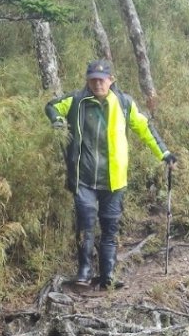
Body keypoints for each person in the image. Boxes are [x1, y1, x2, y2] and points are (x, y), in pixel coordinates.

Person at [45, 59, 176, 288]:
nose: (97, 84)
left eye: (101, 79)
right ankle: (84, 271)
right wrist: (57, 120)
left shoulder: (124, 103)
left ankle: (108, 275)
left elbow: (145, 128)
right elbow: (52, 106)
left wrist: (164, 153)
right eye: (93, 79)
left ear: (110, 80)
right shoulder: (76, 100)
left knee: (109, 227)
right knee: (85, 224)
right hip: (83, 178)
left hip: (114, 180)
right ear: (88, 80)